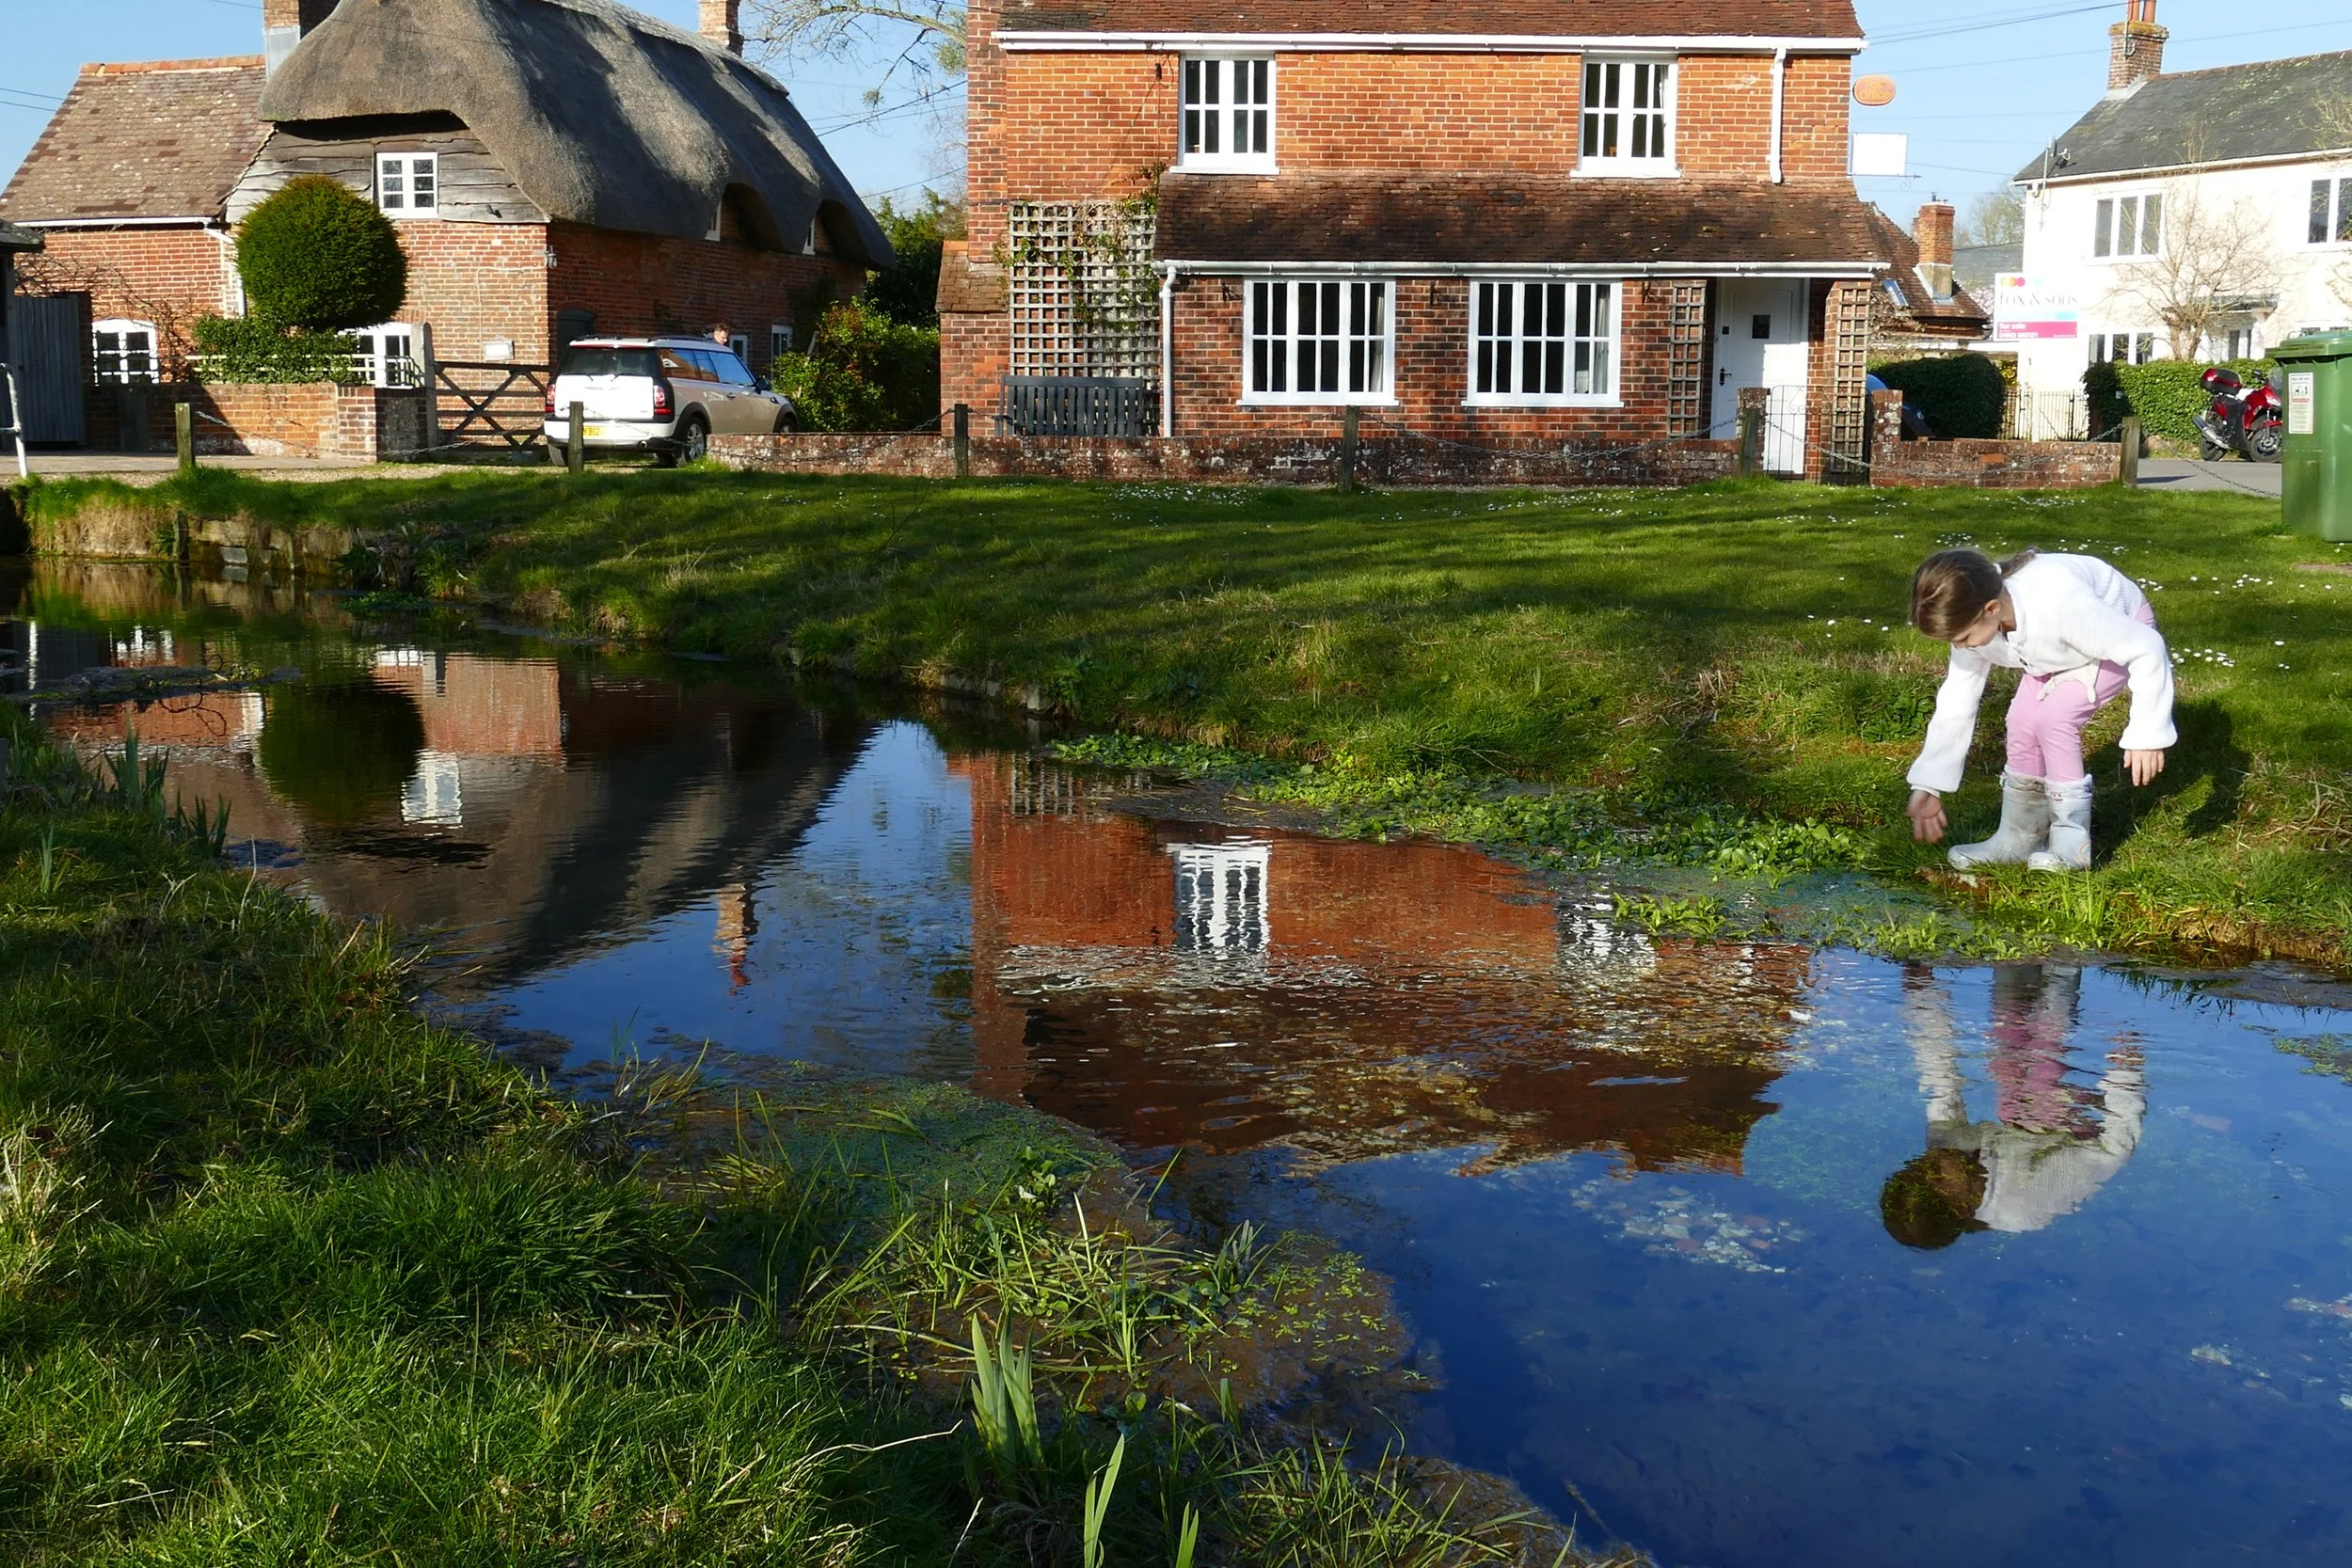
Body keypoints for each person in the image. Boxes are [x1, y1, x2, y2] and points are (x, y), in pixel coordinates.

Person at [1904, 547, 2174, 873]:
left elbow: (2146, 648)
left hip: (2117, 633)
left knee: (2054, 718)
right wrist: (1928, 784)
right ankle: (2019, 838)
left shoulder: (2061, 605)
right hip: (2054, 649)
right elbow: (1956, 699)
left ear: (1991, 609)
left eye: (1963, 638)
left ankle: (2072, 847)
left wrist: (2146, 734)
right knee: (2021, 721)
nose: (1961, 647)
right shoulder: (1980, 617)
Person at [1880, 964, 2145, 1248]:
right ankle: (2064, 963)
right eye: (1937, 1178)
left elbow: (1940, 1078)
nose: (1933, 1160)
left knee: (2005, 1052)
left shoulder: (1941, 1155)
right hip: (2070, 1133)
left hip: (2019, 1123)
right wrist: (2125, 1079)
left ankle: (2015, 963)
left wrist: (1921, 996)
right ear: (1962, 1207)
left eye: (1919, 1164)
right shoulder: (2024, 1204)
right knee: (2043, 1079)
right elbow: (2113, 1152)